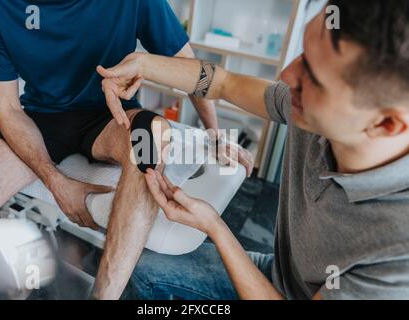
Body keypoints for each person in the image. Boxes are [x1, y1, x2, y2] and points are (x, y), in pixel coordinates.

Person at [98, 0, 409, 299]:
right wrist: (143, 64)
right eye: (304, 54)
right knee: (141, 267)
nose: (288, 76)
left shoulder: (399, 249)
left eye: (313, 77)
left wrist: (216, 228)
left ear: (387, 125)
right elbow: (223, 83)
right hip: (280, 274)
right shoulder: (314, 109)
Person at [0, 0, 253, 300]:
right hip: (38, 119)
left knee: (150, 135)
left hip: (114, 117)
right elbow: (7, 108)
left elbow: (192, 68)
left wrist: (214, 133)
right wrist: (56, 181)